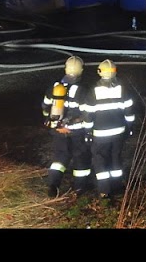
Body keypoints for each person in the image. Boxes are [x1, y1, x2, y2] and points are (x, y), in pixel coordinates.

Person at [82, 58, 135, 197]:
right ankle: (117, 187)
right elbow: (129, 111)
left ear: (100, 72)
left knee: (100, 160)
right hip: (119, 132)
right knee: (116, 158)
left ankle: (104, 190)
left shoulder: (93, 91)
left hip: (100, 134)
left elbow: (88, 114)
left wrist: (87, 132)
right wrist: (130, 127)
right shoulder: (122, 89)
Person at [42, 56, 92, 198]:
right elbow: (87, 113)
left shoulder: (54, 88)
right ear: (81, 70)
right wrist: (88, 131)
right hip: (77, 132)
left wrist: (55, 124)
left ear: (66, 69)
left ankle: (53, 186)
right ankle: (79, 189)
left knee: (59, 158)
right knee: (81, 160)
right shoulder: (83, 90)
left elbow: (45, 107)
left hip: (58, 130)